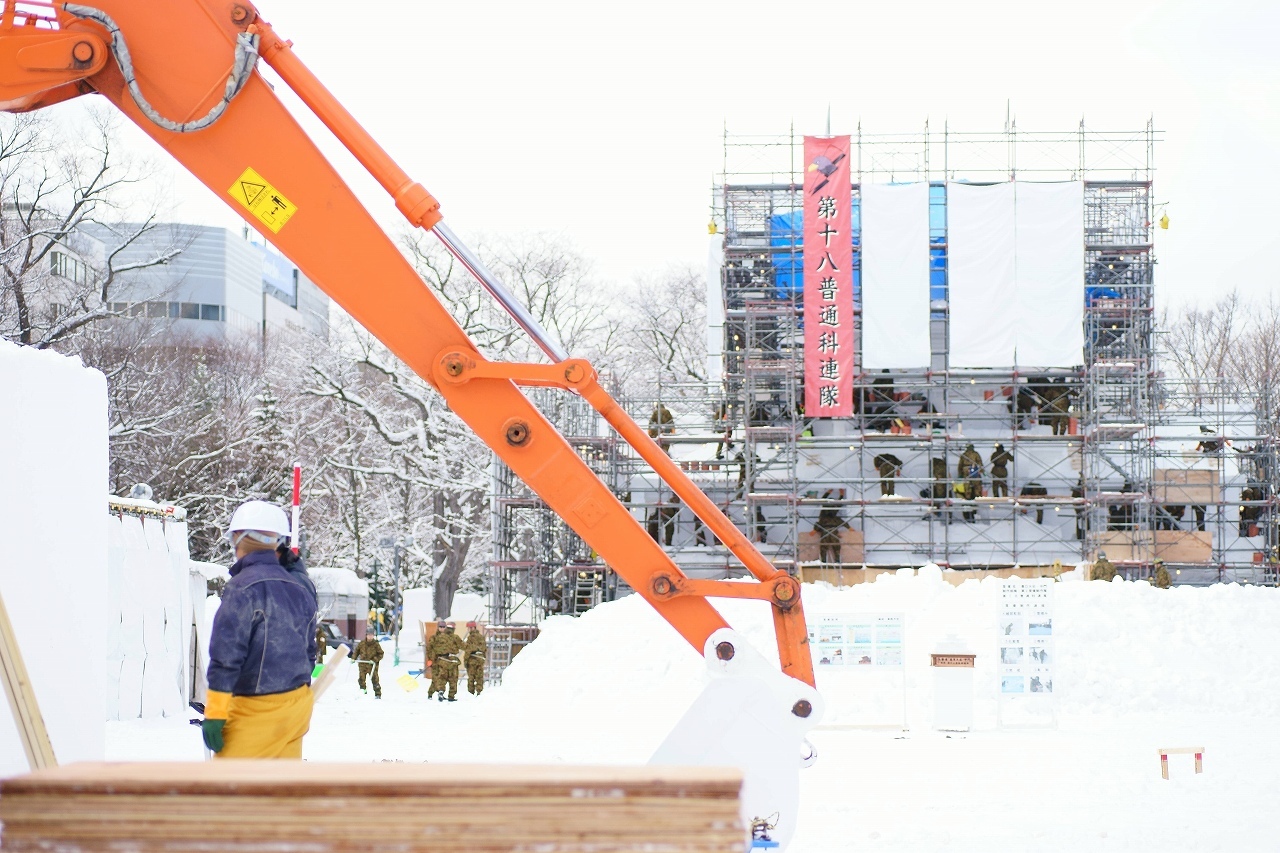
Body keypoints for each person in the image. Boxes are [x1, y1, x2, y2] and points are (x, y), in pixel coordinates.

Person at [203, 500, 317, 759]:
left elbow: (226, 657)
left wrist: (216, 712)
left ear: (237, 538)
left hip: (255, 711)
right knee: (281, 791)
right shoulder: (301, 586)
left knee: (232, 792)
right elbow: (309, 651)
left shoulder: (242, 587)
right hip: (297, 707)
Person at [426, 620, 464, 701]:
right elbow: (429, 649)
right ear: (438, 627)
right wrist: (430, 659)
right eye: (440, 627)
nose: (442, 628)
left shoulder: (450, 637)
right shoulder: (435, 638)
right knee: (438, 679)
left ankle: (441, 692)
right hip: (437, 661)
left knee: (444, 678)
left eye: (444, 627)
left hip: (445, 661)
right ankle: (432, 693)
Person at [813, 495, 849, 566]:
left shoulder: (823, 515)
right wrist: (841, 495)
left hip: (825, 532)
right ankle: (837, 560)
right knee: (836, 547)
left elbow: (818, 525)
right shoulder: (834, 516)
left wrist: (815, 530)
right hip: (833, 531)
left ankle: (823, 561)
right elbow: (838, 506)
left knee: (824, 547)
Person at [352, 631, 384, 698]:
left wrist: (374, 660)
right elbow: (356, 651)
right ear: (366, 635)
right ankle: (363, 691)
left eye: (371, 635)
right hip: (362, 665)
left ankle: (377, 694)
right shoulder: (362, 643)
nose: (370, 637)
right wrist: (353, 658)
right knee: (361, 679)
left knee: (375, 679)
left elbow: (381, 654)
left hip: (372, 665)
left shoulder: (376, 644)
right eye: (369, 635)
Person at [957, 444, 983, 522]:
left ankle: (967, 510)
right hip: (975, 472)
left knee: (967, 491)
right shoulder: (976, 454)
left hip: (966, 473)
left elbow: (960, 466)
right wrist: (981, 471)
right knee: (977, 491)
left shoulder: (964, 455)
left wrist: (960, 474)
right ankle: (975, 510)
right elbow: (980, 464)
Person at [463, 621, 487, 695]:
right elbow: (485, 649)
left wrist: (465, 661)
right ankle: (479, 691)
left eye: (470, 628)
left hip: (472, 659)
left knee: (471, 677)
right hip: (480, 658)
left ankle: (471, 692)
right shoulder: (481, 636)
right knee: (479, 676)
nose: (469, 629)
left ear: (474, 628)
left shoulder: (471, 638)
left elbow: (468, 650)